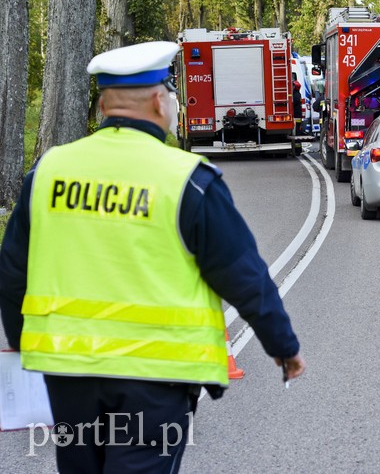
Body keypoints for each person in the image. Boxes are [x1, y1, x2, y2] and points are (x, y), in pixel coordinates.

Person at [0, 41, 305, 472]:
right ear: (161, 102)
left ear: (104, 104)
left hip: (69, 375)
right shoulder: (187, 180)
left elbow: (13, 272)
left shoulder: (48, 172)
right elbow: (242, 274)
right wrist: (283, 346)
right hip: (155, 379)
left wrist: (19, 340)